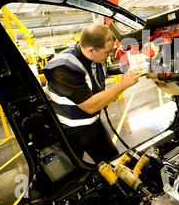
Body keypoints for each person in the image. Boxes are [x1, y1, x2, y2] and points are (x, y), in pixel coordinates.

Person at [43, 23, 140, 164]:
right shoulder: (63, 67)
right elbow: (90, 106)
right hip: (68, 131)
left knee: (113, 161)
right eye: (107, 52)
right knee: (74, 174)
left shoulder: (94, 57)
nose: (111, 54)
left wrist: (121, 70)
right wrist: (122, 84)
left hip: (93, 123)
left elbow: (95, 75)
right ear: (91, 51)